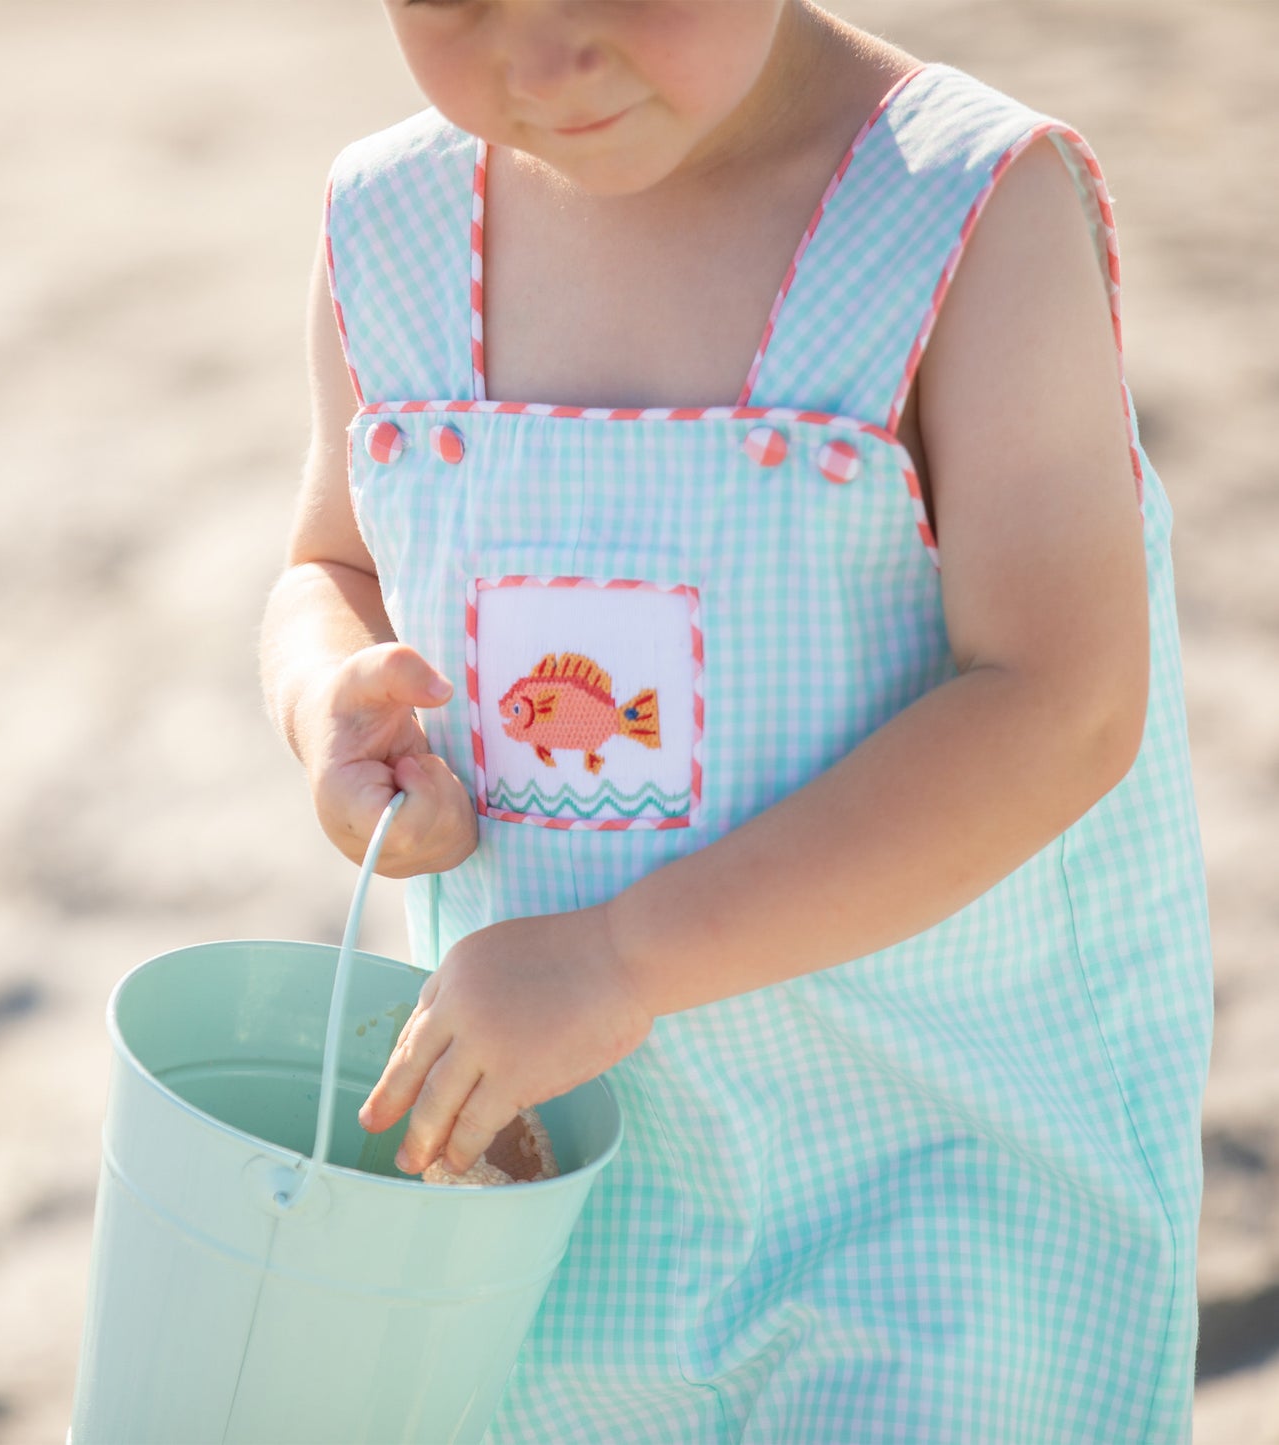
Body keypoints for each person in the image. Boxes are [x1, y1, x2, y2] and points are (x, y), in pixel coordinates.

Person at [260, 2, 1212, 1438]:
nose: (546, 57)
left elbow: (1060, 702)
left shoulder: (958, 212)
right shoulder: (388, 226)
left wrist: (623, 954)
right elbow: (327, 561)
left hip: (934, 1175)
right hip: (559, 1185)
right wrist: (332, 703)